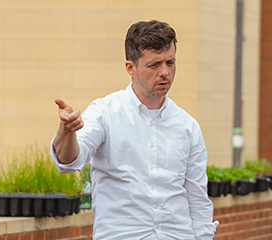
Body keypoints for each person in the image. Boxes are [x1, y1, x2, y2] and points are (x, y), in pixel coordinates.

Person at [50, 20, 218, 240]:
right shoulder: (104, 112)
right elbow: (69, 162)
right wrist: (67, 131)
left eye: (170, 62)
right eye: (154, 65)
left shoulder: (188, 126)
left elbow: (198, 200)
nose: (165, 72)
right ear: (131, 68)